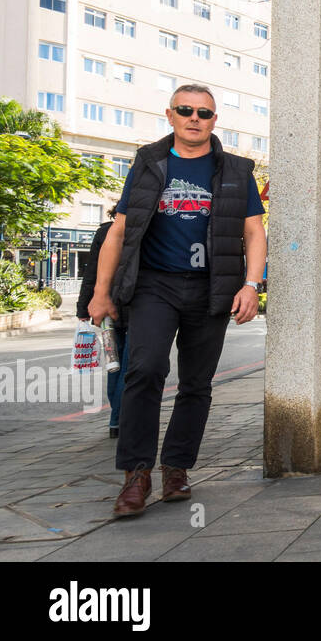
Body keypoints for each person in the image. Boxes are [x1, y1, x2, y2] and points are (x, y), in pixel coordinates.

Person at [87, 84, 266, 518]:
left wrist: (251, 285)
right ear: (170, 115)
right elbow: (119, 231)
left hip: (212, 287)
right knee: (144, 369)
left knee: (196, 384)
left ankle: (176, 468)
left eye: (204, 113)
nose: (194, 118)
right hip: (155, 284)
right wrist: (100, 291)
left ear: (214, 121)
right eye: (186, 110)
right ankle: (136, 475)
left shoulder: (237, 170)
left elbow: (254, 232)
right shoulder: (149, 162)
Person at [76, 202, 130, 437]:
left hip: (108, 310)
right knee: (129, 366)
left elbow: (92, 274)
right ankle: (120, 418)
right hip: (134, 305)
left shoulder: (103, 232)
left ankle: (115, 420)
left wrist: (83, 308)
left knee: (114, 364)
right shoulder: (140, 229)